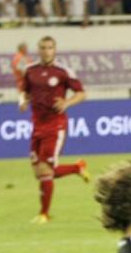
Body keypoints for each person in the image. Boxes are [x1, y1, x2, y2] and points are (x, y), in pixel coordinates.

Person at [19, 36, 88, 223]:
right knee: (40, 173)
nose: (46, 51)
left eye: (50, 47)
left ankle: (44, 214)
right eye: (43, 47)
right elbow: (25, 91)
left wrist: (67, 102)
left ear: (54, 50)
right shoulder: (30, 70)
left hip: (55, 125)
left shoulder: (63, 72)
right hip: (37, 125)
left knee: (45, 170)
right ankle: (77, 167)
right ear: (38, 49)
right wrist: (23, 101)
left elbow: (81, 93)